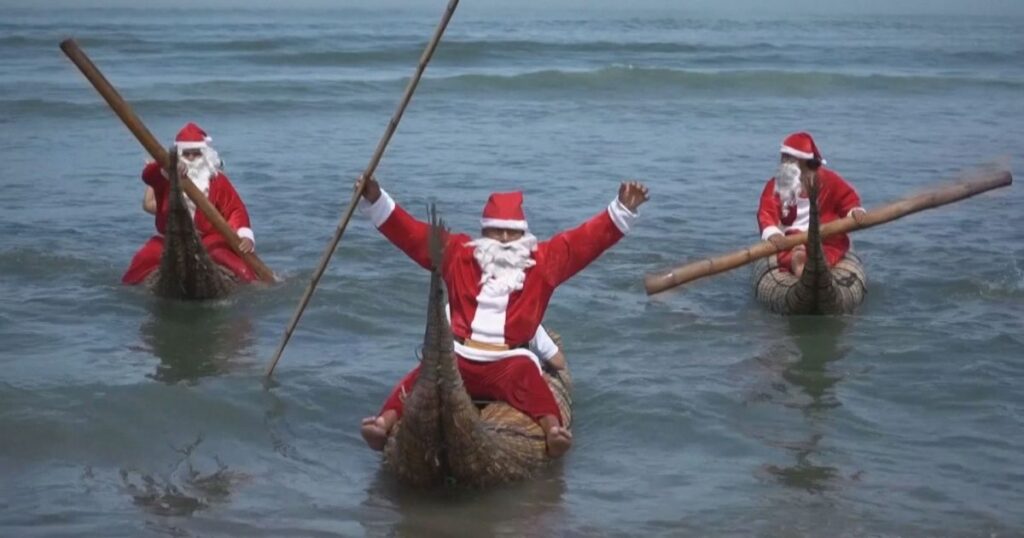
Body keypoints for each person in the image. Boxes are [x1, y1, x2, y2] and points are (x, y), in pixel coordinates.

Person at [358, 175, 649, 457]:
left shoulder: (543, 262)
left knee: (532, 382)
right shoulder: (458, 253)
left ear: (525, 235)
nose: (506, 240)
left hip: (508, 363)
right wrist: (376, 198)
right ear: (484, 233)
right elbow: (413, 234)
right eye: (498, 232)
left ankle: (552, 432)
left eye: (513, 233)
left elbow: (585, 241)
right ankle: (383, 423)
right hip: (460, 355)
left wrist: (622, 209)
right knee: (420, 376)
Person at [121, 122, 257, 285]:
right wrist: (164, 168)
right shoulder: (166, 177)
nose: (192, 158)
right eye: (187, 154)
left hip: (209, 239)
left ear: (205, 155)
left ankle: (255, 286)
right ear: (179, 155)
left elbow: (235, 209)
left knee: (236, 266)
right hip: (172, 237)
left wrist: (244, 236)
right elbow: (149, 177)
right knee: (143, 259)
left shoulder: (218, 180)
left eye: (196, 154)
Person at [757, 132, 866, 277]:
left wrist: (854, 210)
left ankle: (818, 264)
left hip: (824, 234)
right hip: (791, 238)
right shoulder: (778, 184)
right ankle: (798, 264)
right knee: (787, 252)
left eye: (789, 158)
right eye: (783, 157)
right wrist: (772, 232)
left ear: (804, 162)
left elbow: (847, 198)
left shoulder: (829, 180)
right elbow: (766, 211)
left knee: (832, 248)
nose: (783, 162)